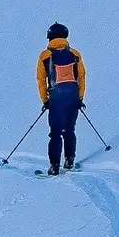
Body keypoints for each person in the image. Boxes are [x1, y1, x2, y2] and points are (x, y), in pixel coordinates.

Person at [36, 23, 86, 175]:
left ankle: (54, 166)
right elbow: (82, 77)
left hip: (56, 99)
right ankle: (69, 160)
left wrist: (45, 100)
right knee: (69, 129)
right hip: (72, 97)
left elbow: (40, 80)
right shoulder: (75, 53)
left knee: (55, 132)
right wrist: (79, 98)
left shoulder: (44, 56)